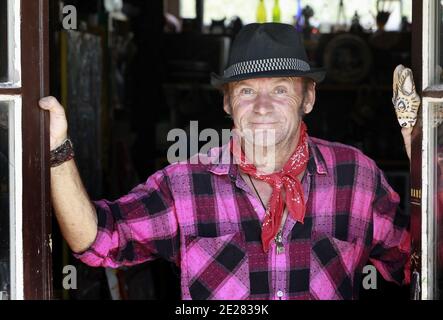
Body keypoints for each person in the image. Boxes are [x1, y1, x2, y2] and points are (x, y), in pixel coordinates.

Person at [39, 23, 410, 300]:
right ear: (228, 103)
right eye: (247, 90)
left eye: (280, 89)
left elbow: (418, 260)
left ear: (308, 98)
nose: (262, 106)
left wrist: (427, 149)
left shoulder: (356, 176)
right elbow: (96, 241)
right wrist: (57, 150)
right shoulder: (185, 184)